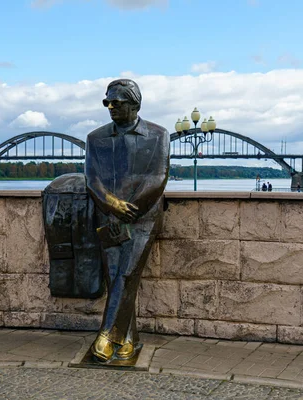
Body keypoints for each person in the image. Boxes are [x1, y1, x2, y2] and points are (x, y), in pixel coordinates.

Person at [85, 79, 170, 362]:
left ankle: (106, 335)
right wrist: (112, 205)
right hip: (108, 215)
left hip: (142, 217)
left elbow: (158, 177)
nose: (110, 107)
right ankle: (129, 340)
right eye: (107, 102)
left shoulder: (158, 135)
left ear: (135, 104)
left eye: (117, 103)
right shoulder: (95, 138)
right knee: (116, 277)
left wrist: (129, 209)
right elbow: (92, 179)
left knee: (127, 273)